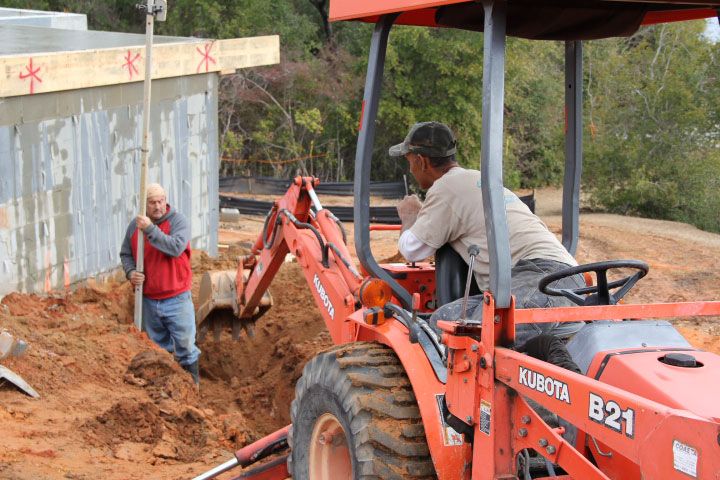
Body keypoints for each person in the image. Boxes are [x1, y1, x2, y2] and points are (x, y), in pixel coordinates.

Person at [392, 121, 585, 345]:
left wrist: (408, 217)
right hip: (561, 277)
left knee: (486, 339)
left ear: (420, 160)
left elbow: (412, 250)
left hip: (539, 278)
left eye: (409, 163)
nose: (410, 170)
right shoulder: (480, 180)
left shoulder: (446, 188)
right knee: (443, 322)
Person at [120, 183, 201, 384]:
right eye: (152, 202)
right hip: (148, 300)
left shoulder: (178, 221)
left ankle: (193, 387)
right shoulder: (135, 226)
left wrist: (149, 229)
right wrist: (131, 272)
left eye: (161, 201)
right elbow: (126, 254)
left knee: (186, 347)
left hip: (177, 298)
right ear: (144, 205)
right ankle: (163, 390)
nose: (157, 206)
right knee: (156, 348)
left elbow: (174, 248)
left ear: (166, 200)